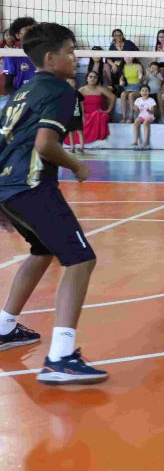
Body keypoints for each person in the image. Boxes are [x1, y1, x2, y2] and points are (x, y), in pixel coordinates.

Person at [0, 22, 107, 384]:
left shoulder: (21, 92)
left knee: (42, 251)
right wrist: (77, 164)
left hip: (8, 188)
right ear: (51, 57)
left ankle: (3, 328)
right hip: (32, 186)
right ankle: (60, 357)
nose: (75, 59)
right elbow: (45, 145)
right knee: (80, 260)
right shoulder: (60, 91)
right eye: (70, 51)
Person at [2, 17, 38, 95]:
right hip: (20, 100)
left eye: (34, 31)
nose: (32, 34)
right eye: (27, 31)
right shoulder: (10, 57)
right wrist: (22, 97)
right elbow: (7, 86)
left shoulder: (43, 54)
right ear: (17, 35)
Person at [79, 70, 114, 144]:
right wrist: (81, 114)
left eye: (95, 77)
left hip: (99, 113)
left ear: (97, 79)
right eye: (90, 77)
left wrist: (108, 110)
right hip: (85, 113)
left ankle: (100, 141)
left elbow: (113, 97)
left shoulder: (101, 89)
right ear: (87, 79)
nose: (92, 79)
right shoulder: (81, 90)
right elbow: (76, 103)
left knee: (103, 116)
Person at [118, 56, 144, 124]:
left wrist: (140, 76)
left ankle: (131, 117)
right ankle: (124, 117)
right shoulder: (123, 67)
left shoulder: (138, 66)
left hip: (137, 87)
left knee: (131, 95)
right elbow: (121, 78)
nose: (128, 58)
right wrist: (121, 82)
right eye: (126, 57)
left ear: (133, 57)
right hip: (128, 87)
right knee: (123, 94)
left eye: (130, 56)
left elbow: (141, 80)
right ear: (123, 58)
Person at [131, 85, 157, 151]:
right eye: (142, 91)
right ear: (140, 92)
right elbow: (136, 110)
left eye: (146, 91)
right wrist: (136, 109)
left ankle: (145, 142)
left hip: (150, 117)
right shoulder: (138, 100)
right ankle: (135, 140)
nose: (144, 92)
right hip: (141, 116)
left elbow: (153, 111)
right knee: (136, 121)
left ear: (149, 92)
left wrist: (149, 110)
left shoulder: (151, 100)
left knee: (145, 123)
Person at [64, 78, 85, 153]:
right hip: (69, 115)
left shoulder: (78, 93)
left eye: (72, 82)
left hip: (77, 115)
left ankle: (82, 146)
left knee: (80, 131)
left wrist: (83, 115)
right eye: (68, 82)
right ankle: (72, 146)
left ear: (75, 83)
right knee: (70, 131)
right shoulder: (65, 93)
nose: (70, 83)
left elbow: (81, 104)